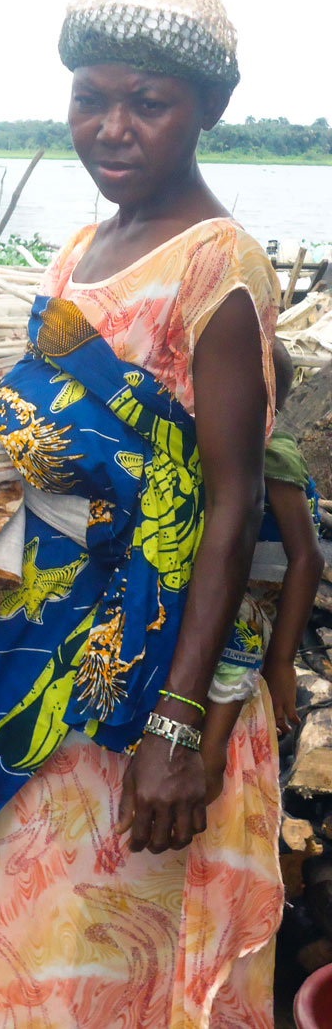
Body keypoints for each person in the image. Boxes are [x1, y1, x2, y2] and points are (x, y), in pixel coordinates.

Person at [0, 0, 286, 1026]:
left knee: (114, 968)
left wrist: (176, 722)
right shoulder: (77, 252)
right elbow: (35, 453)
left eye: (145, 102)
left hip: (144, 680)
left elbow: (228, 504)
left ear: (206, 108)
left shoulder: (220, 265)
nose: (110, 128)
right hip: (41, 676)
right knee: (24, 949)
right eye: (88, 98)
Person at [200, 337, 323, 801]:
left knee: (239, 627)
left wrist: (282, 662)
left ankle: (210, 761)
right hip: (230, 583)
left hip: (257, 597)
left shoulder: (270, 452)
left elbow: (307, 557)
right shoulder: (229, 439)